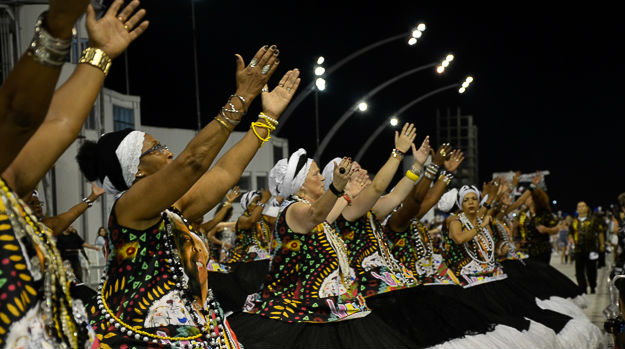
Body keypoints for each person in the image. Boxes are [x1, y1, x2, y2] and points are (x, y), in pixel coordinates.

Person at [76, 43, 300, 348]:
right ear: (136, 171)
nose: (168, 152)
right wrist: (243, 97)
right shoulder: (128, 207)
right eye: (155, 148)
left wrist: (267, 119)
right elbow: (193, 161)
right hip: (146, 339)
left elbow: (222, 173)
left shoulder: (172, 210)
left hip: (200, 334)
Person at [0, 1, 147, 347]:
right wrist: (57, 26)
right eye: (154, 149)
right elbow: (21, 119)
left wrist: (99, 55)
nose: (169, 154)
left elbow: (58, 123)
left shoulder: (9, 194)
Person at [229, 150, 417, 349]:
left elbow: (327, 213)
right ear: (301, 183)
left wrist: (347, 193)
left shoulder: (316, 213)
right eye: (315, 174)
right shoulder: (293, 209)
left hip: (328, 306)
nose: (321, 178)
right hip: (300, 310)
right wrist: (336, 187)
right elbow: (315, 214)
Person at [570, 201, 606, 294]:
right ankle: (582, 288)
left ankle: (593, 286)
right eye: (579, 206)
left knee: (591, 269)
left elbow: (600, 232)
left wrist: (602, 244)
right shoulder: (574, 221)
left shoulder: (593, 220)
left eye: (583, 206)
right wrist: (571, 241)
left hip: (591, 249)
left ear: (587, 208)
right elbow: (571, 233)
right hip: (578, 249)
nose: (581, 208)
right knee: (579, 270)